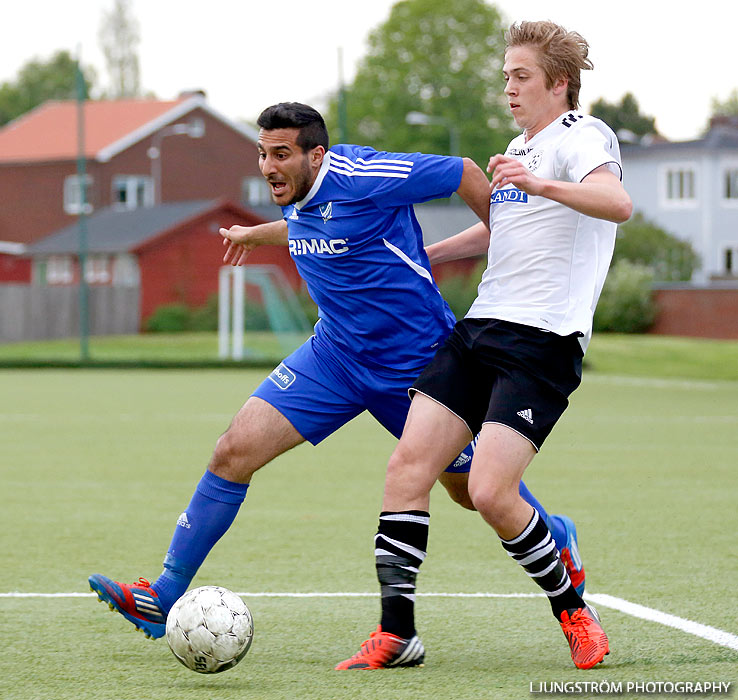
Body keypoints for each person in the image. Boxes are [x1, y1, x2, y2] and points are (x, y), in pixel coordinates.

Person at [88, 101, 586, 641]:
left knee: (471, 492)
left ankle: (555, 536)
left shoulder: (367, 175)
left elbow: (464, 171)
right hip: (333, 356)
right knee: (233, 449)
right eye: (262, 154)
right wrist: (257, 235)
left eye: (281, 154)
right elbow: (312, 226)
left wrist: (507, 239)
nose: (268, 166)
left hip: (417, 365)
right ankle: (163, 595)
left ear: (316, 154)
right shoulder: (299, 195)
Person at [336, 21, 632, 672]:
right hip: (478, 330)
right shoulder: (515, 147)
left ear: (559, 83)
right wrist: (422, 257)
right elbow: (504, 231)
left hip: (542, 341)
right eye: (505, 77)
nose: (509, 89)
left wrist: (539, 183)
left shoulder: (581, 137)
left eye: (521, 77)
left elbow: (615, 202)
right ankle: (397, 634)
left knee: (494, 494)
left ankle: (574, 612)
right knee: (408, 471)